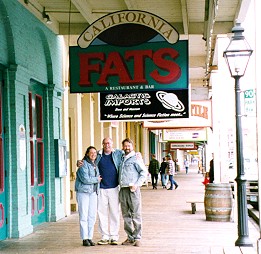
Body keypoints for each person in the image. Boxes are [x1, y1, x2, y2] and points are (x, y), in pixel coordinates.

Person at [77, 137, 123, 245]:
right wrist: (78, 162)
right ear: (102, 144)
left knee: (114, 212)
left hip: (114, 188)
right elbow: (87, 160)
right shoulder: (98, 155)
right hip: (100, 188)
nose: (107, 145)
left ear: (112, 144)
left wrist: (137, 155)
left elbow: (128, 154)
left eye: (109, 143)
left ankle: (114, 236)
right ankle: (105, 236)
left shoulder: (117, 154)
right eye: (105, 143)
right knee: (101, 213)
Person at [119, 138, 147, 247]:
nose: (127, 148)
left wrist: (137, 184)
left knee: (136, 214)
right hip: (123, 189)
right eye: (125, 146)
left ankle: (137, 237)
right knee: (126, 215)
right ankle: (129, 237)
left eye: (128, 146)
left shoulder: (136, 158)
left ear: (132, 146)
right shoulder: (121, 157)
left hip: (133, 189)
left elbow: (143, 172)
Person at [75, 146, 102, 247]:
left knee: (92, 216)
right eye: (91, 153)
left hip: (93, 192)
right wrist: (96, 179)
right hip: (83, 192)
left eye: (95, 153)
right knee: (83, 215)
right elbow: (85, 179)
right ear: (87, 154)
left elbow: (106, 151)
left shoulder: (95, 163)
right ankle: (84, 238)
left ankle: (90, 237)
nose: (93, 154)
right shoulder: (83, 164)